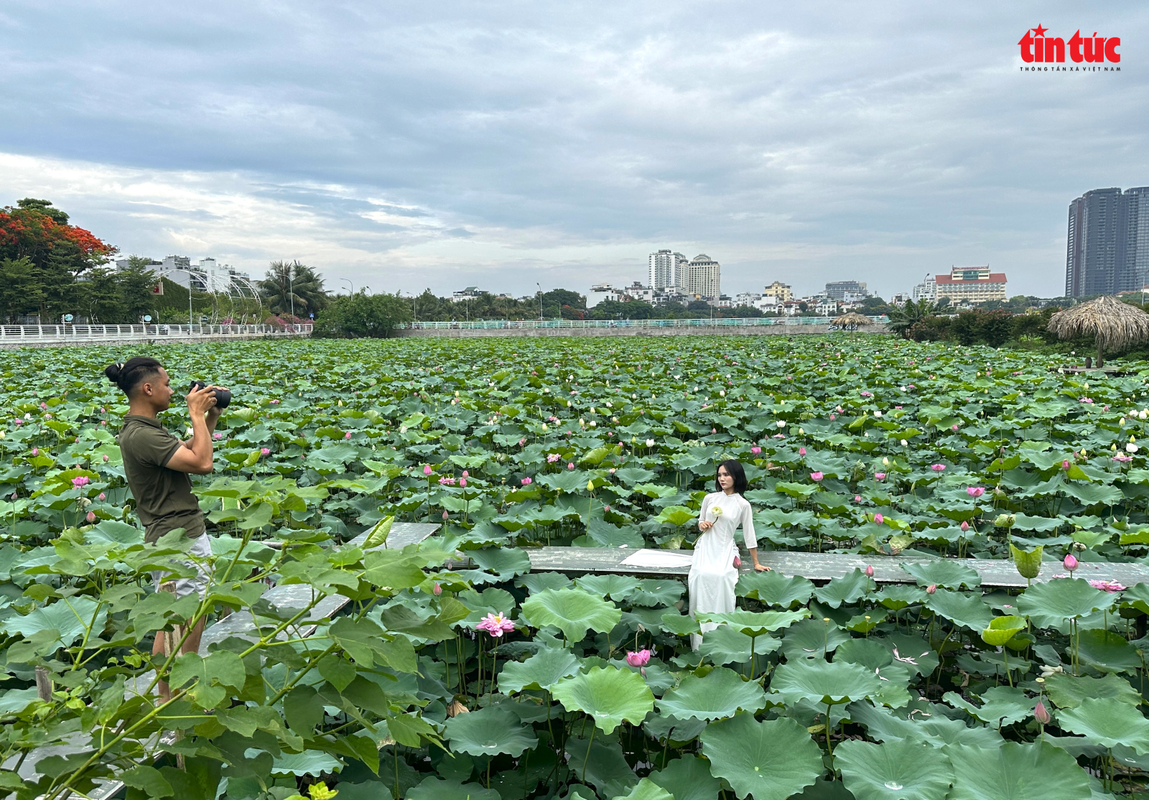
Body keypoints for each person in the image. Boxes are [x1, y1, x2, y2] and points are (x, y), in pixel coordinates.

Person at [104, 357, 223, 698]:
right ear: (148, 388)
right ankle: (172, 699)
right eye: (168, 384)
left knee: (176, 618)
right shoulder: (141, 434)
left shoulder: (144, 429)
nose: (173, 390)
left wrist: (209, 420)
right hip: (176, 536)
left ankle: (168, 696)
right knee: (181, 620)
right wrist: (196, 415)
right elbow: (203, 463)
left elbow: (185, 455)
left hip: (177, 533)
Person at [688, 459, 768, 651]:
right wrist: (703, 525)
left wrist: (756, 562)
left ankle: (721, 634)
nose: (722, 478)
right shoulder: (710, 498)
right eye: (720, 475)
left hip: (724, 548)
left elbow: (749, 534)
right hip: (705, 546)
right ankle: (699, 641)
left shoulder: (743, 505)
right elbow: (700, 521)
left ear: (736, 476)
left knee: (723, 577)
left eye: (726, 475)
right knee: (699, 575)